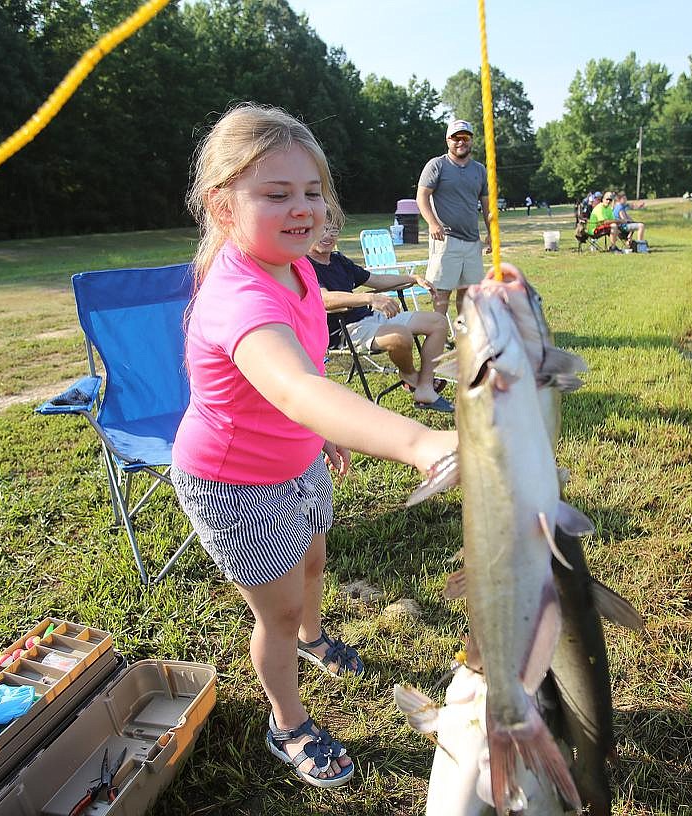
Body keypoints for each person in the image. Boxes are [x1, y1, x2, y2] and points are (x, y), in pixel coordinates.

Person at [172, 103, 456, 790]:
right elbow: (294, 386)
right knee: (279, 608)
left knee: (314, 561)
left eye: (310, 192)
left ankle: (314, 638)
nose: (303, 208)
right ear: (221, 204)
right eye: (276, 194)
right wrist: (421, 441)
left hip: (298, 459)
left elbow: (306, 380)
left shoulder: (296, 269)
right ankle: (287, 721)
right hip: (236, 484)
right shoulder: (237, 296)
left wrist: (320, 434)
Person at [307, 214, 453, 412]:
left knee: (438, 322)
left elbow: (374, 279)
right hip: (345, 330)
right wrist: (369, 299)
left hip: (368, 318)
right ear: (309, 232)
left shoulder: (338, 260)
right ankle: (410, 377)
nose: (328, 235)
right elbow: (324, 299)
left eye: (333, 230)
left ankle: (425, 386)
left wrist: (411, 278)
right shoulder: (305, 265)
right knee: (400, 336)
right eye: (322, 229)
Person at [416, 120, 491, 319]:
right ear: (448, 140)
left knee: (468, 293)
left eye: (465, 137)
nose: (461, 142)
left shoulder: (479, 170)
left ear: (471, 140)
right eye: (456, 137)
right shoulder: (437, 165)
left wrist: (492, 233)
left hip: (472, 242)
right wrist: (433, 223)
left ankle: (462, 336)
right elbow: (421, 197)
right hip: (445, 240)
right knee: (441, 293)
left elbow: (487, 205)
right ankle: (438, 334)